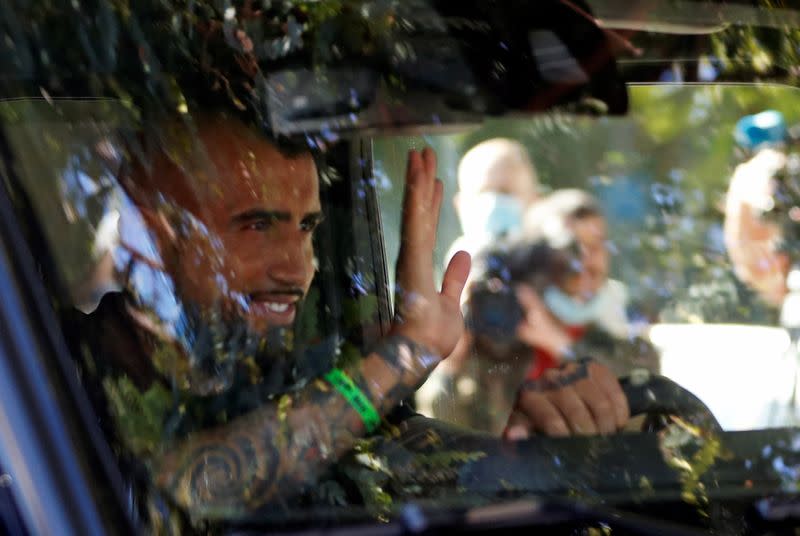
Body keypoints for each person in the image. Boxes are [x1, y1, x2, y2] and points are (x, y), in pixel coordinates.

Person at [68, 109, 631, 528]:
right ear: (155, 233)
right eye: (257, 226)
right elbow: (182, 490)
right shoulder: (62, 366)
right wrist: (398, 360)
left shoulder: (270, 366)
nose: (297, 267)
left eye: (307, 228)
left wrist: (535, 445)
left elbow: (392, 461)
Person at [417, 138, 540, 431]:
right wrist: (452, 353)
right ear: (461, 207)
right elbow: (432, 423)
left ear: (533, 201)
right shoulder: (433, 292)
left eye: (507, 193)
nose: (496, 204)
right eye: (485, 193)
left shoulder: (567, 281)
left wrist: (555, 335)